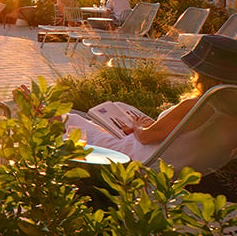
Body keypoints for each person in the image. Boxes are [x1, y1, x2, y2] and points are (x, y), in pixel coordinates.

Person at [64, 34, 237, 162]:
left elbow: (146, 138)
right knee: (103, 118)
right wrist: (149, 127)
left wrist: (138, 126)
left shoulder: (195, 106)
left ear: (204, 75)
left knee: (70, 119)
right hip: (167, 158)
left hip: (134, 155)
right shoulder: (228, 112)